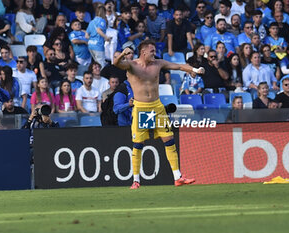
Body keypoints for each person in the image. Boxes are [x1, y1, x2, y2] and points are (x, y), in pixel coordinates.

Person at [114, 39, 204, 189]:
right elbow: (116, 63)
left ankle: (178, 177)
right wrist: (123, 53)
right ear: (143, 52)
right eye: (151, 51)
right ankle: (136, 180)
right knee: (138, 144)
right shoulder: (132, 65)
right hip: (141, 108)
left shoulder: (158, 64)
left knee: (169, 140)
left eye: (154, 51)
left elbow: (179, 66)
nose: (154, 53)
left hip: (157, 107)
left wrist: (193, 70)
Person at [86, 4, 109, 68]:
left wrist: (92, 38)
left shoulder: (91, 22)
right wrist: (106, 37)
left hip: (91, 45)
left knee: (96, 64)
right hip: (98, 45)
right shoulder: (102, 21)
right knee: (101, 65)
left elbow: (86, 35)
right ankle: (100, 76)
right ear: (104, 12)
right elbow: (99, 30)